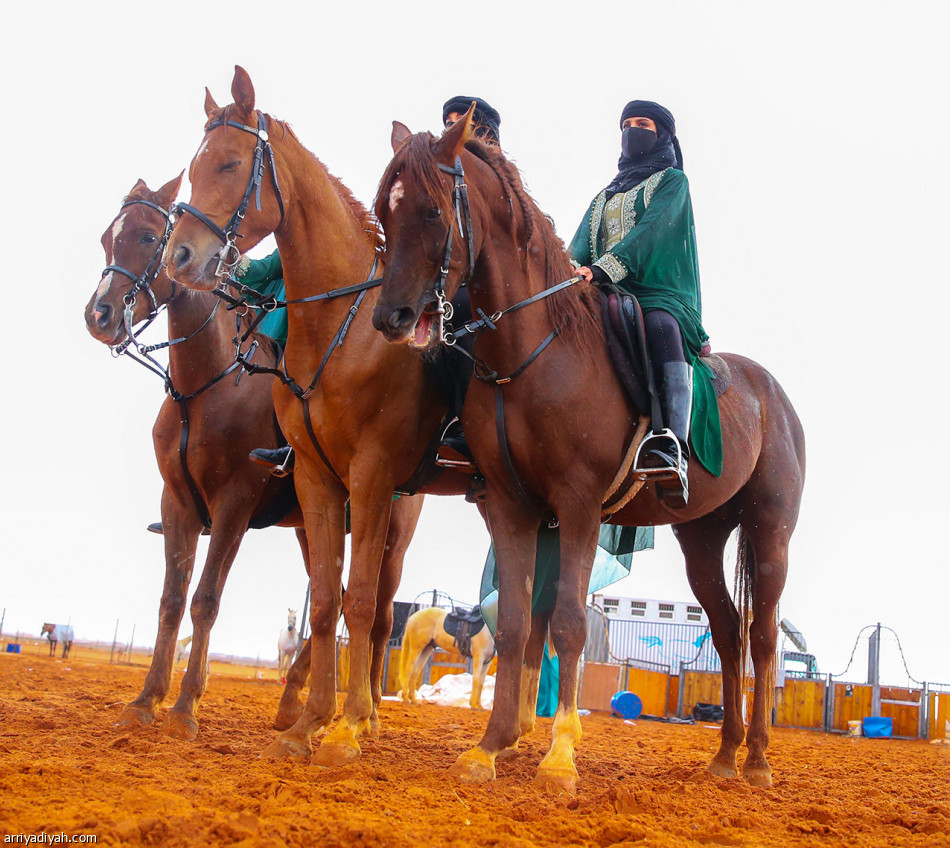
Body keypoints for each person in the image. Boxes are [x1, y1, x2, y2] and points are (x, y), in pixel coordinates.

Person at [569, 100, 710, 508]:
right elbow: (580, 243)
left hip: (657, 290)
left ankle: (671, 443)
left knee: (661, 326)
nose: (633, 131)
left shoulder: (672, 182)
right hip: (601, 285)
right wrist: (568, 270)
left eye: (642, 124)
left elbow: (651, 233)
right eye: (626, 125)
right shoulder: (604, 196)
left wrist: (602, 269)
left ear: (661, 133)